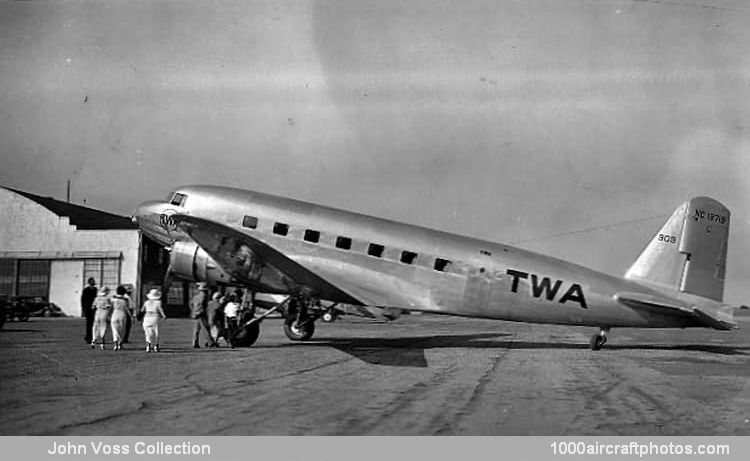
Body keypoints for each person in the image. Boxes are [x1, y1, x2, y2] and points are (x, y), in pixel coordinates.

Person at [191, 282, 217, 348]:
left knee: (196, 329)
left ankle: (195, 343)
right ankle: (211, 342)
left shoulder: (196, 296)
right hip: (201, 313)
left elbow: (192, 304)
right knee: (205, 328)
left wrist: (194, 311)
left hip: (195, 313)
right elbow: (202, 304)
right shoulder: (204, 296)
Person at [141, 288, 166, 352]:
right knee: (156, 332)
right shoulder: (158, 302)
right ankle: (156, 346)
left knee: (147, 332)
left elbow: (142, 310)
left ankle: (148, 346)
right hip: (155, 317)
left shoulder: (146, 302)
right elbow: (160, 309)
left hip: (147, 317)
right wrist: (164, 316)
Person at [110, 286, 133, 351]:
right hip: (122, 314)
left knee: (115, 330)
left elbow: (110, 308)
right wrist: (131, 316)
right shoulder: (125, 300)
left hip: (115, 314)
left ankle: (115, 344)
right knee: (122, 330)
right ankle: (120, 344)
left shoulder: (113, 299)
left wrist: (108, 315)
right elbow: (127, 309)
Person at [81, 278, 98, 344]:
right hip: (88, 308)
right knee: (89, 324)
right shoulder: (86, 290)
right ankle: (88, 338)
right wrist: (83, 308)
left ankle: (92, 337)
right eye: (92, 281)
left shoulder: (95, 290)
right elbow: (83, 300)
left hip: (94, 308)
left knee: (94, 324)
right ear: (89, 282)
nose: (93, 282)